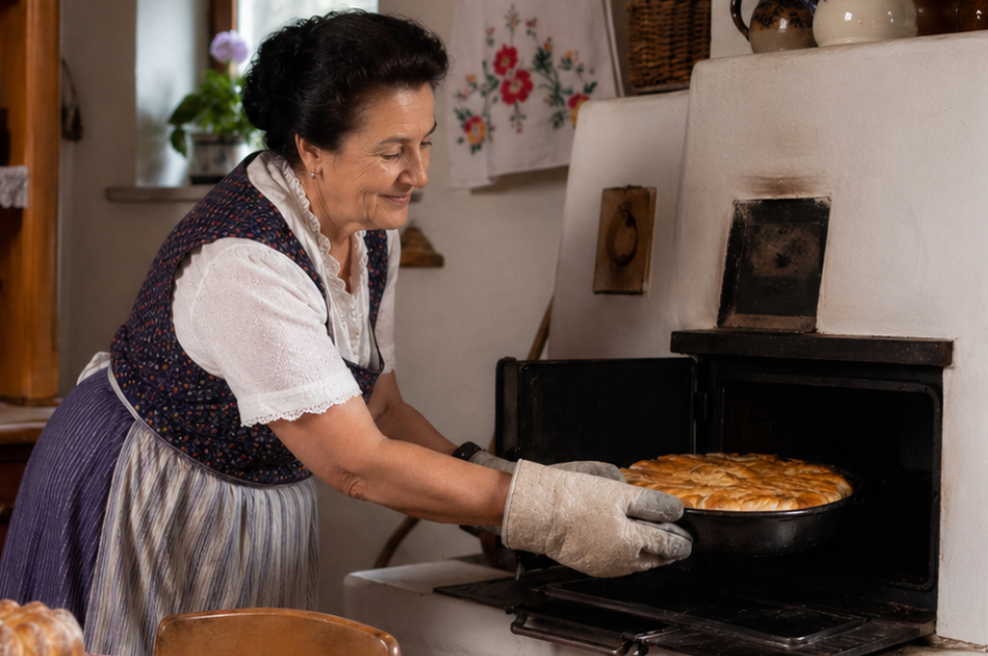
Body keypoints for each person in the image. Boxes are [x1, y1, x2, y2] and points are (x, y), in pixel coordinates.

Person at [0, 10, 692, 656]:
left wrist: (493, 484)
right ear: (312, 150)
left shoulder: (367, 232)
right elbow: (357, 462)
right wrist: (548, 514)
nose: (418, 173)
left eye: (424, 143)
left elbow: (382, 409)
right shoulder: (245, 263)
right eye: (393, 150)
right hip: (148, 488)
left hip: (260, 501)